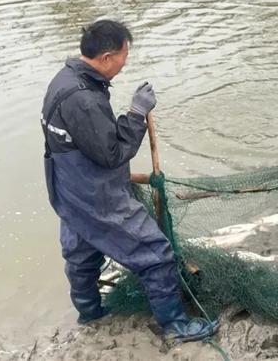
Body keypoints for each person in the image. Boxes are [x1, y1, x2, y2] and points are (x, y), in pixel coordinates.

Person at [41, 20, 217, 342]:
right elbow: (112, 154)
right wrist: (136, 113)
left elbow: (90, 141)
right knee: (155, 252)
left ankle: (90, 314)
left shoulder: (64, 79)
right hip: (96, 194)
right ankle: (176, 327)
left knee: (81, 255)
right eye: (124, 54)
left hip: (68, 192)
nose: (125, 61)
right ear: (106, 57)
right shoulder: (83, 98)